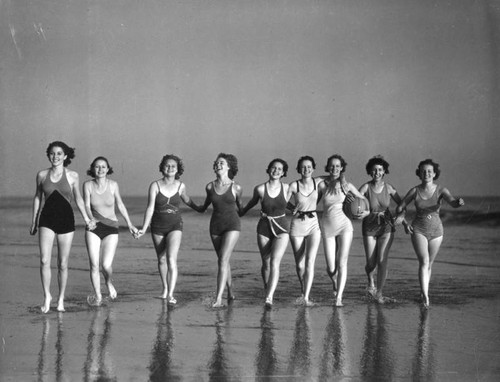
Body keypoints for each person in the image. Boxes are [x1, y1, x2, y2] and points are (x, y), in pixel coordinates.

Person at [30, 141, 94, 313]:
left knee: (63, 263)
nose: (55, 157)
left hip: (66, 220)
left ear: (65, 156)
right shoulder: (42, 175)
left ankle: (61, 299)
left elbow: (79, 199)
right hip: (47, 220)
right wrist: (34, 220)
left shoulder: (72, 175)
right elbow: (37, 197)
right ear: (48, 155)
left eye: (59, 153)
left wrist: (87, 219)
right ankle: (47, 297)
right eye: (52, 153)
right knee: (44, 260)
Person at [396, 159, 464, 308]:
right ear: (419, 173)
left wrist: (458, 203)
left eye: (429, 171)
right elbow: (400, 207)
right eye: (423, 171)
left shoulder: (441, 190)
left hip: (437, 231)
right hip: (418, 229)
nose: (426, 173)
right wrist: (404, 223)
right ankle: (426, 297)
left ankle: (423, 292)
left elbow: (452, 202)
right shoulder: (414, 191)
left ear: (434, 174)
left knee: (429, 263)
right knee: (424, 261)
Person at [135, 154, 201, 304]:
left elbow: (186, 199)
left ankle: (171, 294)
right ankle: (165, 289)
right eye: (167, 165)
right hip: (157, 226)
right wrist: (144, 228)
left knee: (171, 258)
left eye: (173, 166)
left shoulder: (180, 185)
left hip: (175, 225)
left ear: (178, 169)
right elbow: (150, 208)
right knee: (162, 259)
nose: (170, 168)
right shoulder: (155, 185)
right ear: (162, 168)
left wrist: (200, 208)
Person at [83, 156, 138, 306]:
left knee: (106, 265)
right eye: (97, 166)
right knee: (94, 265)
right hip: (93, 227)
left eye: (103, 167)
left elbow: (120, 205)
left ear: (108, 169)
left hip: (111, 228)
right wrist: (90, 219)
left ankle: (108, 282)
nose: (100, 169)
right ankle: (98, 296)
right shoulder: (87, 185)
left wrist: (131, 224)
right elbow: (87, 206)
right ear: (92, 169)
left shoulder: (113, 185)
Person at [318, 154, 369, 307]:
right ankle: (335, 282)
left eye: (338, 166)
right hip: (327, 226)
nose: (335, 169)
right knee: (331, 267)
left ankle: (339, 297)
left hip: (345, 226)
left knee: (342, 262)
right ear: (328, 167)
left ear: (342, 168)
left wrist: (366, 212)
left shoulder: (348, 186)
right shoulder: (322, 184)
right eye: (332, 166)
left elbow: (364, 199)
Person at [240, 158, 290, 307]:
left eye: (279, 169)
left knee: (275, 262)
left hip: (282, 227)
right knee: (266, 263)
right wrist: (241, 211)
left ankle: (269, 297)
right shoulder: (260, 189)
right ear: (268, 170)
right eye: (273, 168)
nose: (276, 171)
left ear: (283, 173)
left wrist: (301, 209)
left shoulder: (287, 188)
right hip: (264, 227)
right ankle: (266, 287)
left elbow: (301, 197)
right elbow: (251, 203)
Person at [198, 153, 243, 308]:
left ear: (228, 167)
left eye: (221, 163)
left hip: (232, 225)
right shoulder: (210, 187)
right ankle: (230, 291)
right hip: (215, 226)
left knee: (222, 260)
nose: (218, 165)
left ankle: (218, 299)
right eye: (216, 163)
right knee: (224, 260)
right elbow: (204, 207)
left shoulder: (236, 187)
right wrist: (186, 202)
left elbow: (241, 209)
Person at [358, 155, 404, 303]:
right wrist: (356, 212)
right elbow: (353, 201)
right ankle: (370, 280)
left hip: (386, 225)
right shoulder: (365, 187)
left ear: (384, 171)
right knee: (371, 263)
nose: (377, 173)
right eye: (374, 170)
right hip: (369, 225)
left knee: (382, 260)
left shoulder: (389, 188)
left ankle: (379, 293)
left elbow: (402, 204)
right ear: (370, 172)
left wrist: (401, 215)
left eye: (379, 170)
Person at [286, 155, 322, 306]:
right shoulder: (294, 185)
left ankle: (306, 297)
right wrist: (291, 208)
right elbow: (283, 201)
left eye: (309, 167)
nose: (306, 169)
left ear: (313, 169)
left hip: (314, 224)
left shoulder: (318, 181)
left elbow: (335, 176)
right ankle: (303, 288)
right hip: (298, 225)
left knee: (310, 262)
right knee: (300, 265)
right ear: (298, 169)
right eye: (303, 167)